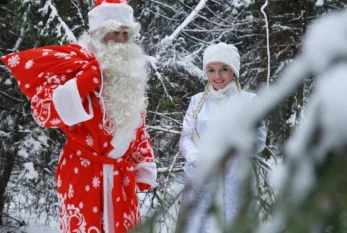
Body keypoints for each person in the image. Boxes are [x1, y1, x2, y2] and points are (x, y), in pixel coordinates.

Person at [1, 0, 157, 232]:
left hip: (120, 176)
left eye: (125, 33)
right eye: (114, 31)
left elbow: (138, 125)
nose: (121, 40)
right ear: (98, 33)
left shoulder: (130, 74)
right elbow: (43, 113)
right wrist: (81, 84)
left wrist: (143, 163)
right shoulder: (75, 65)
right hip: (82, 172)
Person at [177, 42, 267, 233]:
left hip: (235, 176)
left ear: (233, 71)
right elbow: (186, 137)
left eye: (223, 69)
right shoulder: (197, 101)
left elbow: (258, 140)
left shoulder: (249, 100)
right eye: (211, 70)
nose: (217, 76)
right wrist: (195, 156)